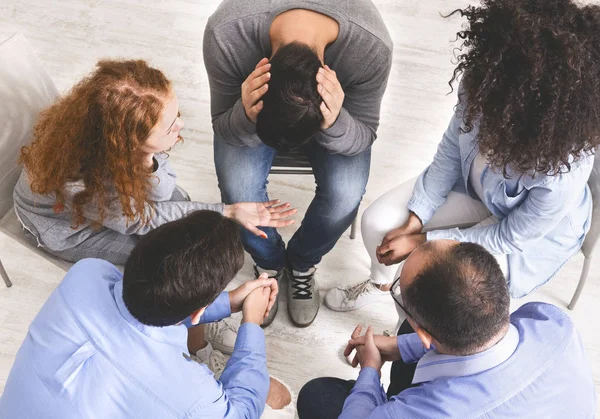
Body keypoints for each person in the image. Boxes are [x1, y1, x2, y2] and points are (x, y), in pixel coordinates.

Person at [325, 0, 600, 311]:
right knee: (377, 222)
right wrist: (417, 218)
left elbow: (510, 237)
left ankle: (408, 334)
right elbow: (450, 152)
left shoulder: (562, 172)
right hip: (475, 187)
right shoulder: (486, 83)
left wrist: (424, 242)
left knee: (440, 285)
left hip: (522, 235)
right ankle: (381, 282)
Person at [204, 0, 393, 327]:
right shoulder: (226, 34)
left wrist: (334, 123)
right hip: (253, 118)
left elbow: (364, 135)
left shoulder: (371, 48)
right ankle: (269, 263)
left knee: (346, 193)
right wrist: (245, 116)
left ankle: (303, 263)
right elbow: (222, 123)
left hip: (332, 118)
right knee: (239, 190)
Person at [0, 210, 294, 418]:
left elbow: (140, 300)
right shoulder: (192, 395)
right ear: (198, 312)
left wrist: (228, 301)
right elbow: (242, 413)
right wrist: (251, 323)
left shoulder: (86, 274)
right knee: (278, 400)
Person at [14, 59, 296, 266]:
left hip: (104, 196)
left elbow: (161, 193)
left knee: (180, 203)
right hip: (65, 228)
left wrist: (149, 160)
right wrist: (227, 211)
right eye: (170, 127)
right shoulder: (83, 182)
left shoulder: (107, 130)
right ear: (127, 144)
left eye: (176, 115)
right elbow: (143, 219)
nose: (182, 125)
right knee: (172, 250)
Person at [298, 240, 597, 418]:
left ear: (426, 334)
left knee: (316, 397)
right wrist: (399, 347)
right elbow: (483, 338)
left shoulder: (427, 412)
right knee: (403, 335)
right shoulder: (552, 323)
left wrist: (370, 370)